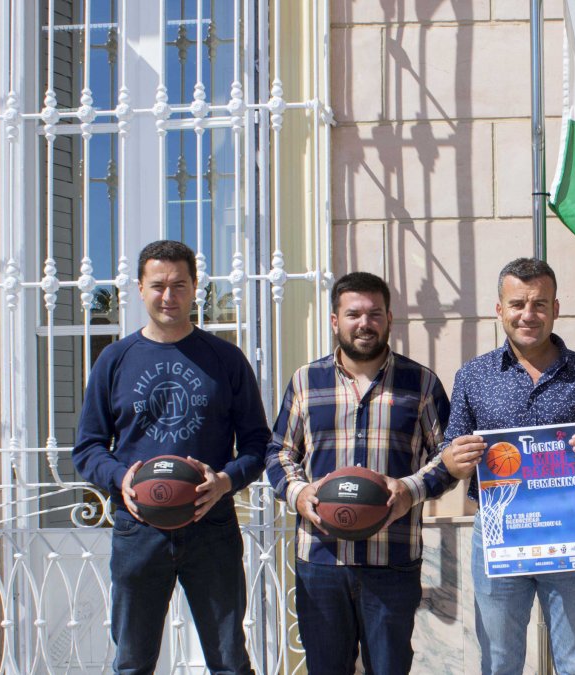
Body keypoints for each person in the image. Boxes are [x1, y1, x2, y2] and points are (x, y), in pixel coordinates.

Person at [73, 239, 269, 675]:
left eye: (179, 285)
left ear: (195, 288)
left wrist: (225, 481)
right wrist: (120, 478)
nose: (168, 296)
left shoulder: (225, 359)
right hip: (139, 528)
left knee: (230, 661)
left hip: (210, 526)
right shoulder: (114, 360)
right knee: (132, 663)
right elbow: (87, 448)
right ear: (140, 289)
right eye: (158, 285)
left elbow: (258, 444)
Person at [441, 258, 575, 675]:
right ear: (499, 309)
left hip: (568, 533)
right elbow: (450, 448)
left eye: (539, 304)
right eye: (518, 303)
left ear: (555, 309)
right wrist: (455, 458)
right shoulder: (473, 376)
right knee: (499, 662)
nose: (528, 314)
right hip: (498, 532)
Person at [265, 271, 452, 675]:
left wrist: (410, 489)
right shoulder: (306, 381)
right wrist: (299, 493)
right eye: (353, 314)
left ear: (389, 319)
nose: (364, 323)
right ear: (335, 321)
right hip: (321, 559)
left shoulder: (420, 383)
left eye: (374, 314)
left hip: (392, 560)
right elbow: (279, 453)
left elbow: (448, 457)